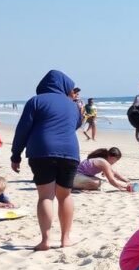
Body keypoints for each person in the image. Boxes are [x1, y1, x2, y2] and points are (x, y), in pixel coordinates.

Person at [11, 70, 84, 251]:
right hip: (69, 152)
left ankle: (45, 241)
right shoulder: (72, 105)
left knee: (45, 196)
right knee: (65, 195)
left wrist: (16, 154)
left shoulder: (36, 101)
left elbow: (23, 129)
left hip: (41, 151)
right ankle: (65, 239)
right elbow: (74, 125)